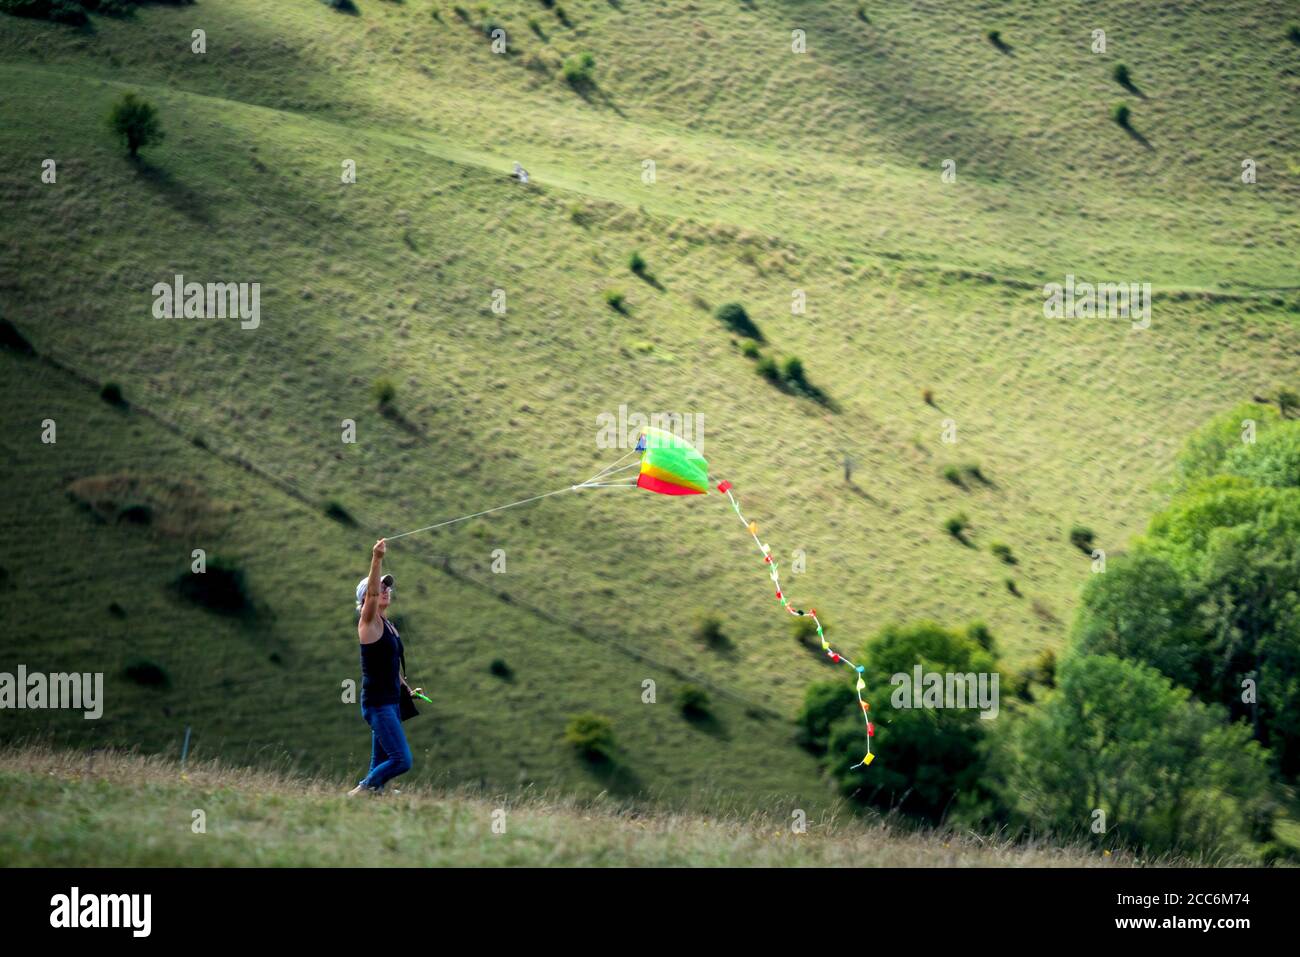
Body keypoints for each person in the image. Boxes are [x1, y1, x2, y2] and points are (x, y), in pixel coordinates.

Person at [347, 538, 418, 796]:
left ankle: (376, 792)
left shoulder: (388, 626)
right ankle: (362, 792)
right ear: (365, 600)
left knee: (380, 762)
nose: (384, 589)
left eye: (387, 586)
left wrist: (405, 687)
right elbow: (373, 595)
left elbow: (391, 664)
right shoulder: (368, 623)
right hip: (378, 703)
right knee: (402, 760)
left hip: (391, 702)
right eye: (378, 588)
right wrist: (376, 558)